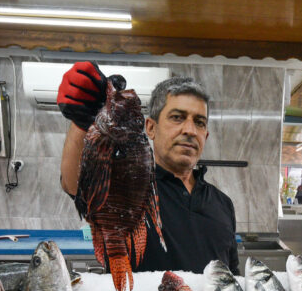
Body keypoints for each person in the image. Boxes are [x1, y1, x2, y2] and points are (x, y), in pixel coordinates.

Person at [58, 61, 239, 275]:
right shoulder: (125, 189)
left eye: (199, 122)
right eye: (177, 117)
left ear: (205, 136)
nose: (190, 130)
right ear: (151, 128)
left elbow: (231, 277)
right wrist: (83, 122)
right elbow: (76, 183)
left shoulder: (223, 204)